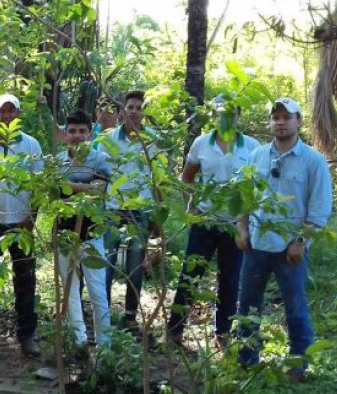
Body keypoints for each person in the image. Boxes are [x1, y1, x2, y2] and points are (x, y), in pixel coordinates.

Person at [235, 97, 332, 381]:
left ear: (298, 121)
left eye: (286, 117)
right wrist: (242, 227)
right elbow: (245, 196)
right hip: (256, 245)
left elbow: (320, 208)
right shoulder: (258, 156)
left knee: (295, 306)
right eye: (275, 117)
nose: (280, 122)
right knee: (248, 305)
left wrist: (301, 241)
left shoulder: (313, 161)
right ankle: (246, 359)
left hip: (290, 248)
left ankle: (299, 363)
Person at [166, 95, 260, 349]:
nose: (225, 119)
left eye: (231, 113)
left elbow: (257, 187)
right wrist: (192, 207)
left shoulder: (252, 147)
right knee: (190, 275)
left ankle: (223, 333)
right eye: (220, 113)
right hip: (205, 223)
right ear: (214, 116)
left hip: (235, 225)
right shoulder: (201, 144)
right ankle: (174, 331)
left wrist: (247, 222)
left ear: (239, 116)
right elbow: (186, 178)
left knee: (229, 280)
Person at [0, 93, 43, 357]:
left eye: (11, 110)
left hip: (21, 223)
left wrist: (32, 216)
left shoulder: (31, 145)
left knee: (25, 281)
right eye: (2, 110)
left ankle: (26, 336)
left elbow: (39, 183)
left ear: (19, 114)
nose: (7, 115)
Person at [96, 90, 158, 333]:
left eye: (138, 107)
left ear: (144, 112)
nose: (134, 111)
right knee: (107, 262)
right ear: (121, 111)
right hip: (111, 209)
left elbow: (157, 179)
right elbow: (99, 174)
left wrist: (156, 216)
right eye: (130, 106)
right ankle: (104, 317)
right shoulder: (107, 139)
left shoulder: (152, 141)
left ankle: (130, 317)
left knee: (135, 265)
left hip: (139, 210)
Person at [56, 110, 112, 350]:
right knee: (70, 291)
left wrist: (68, 187)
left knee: (97, 290)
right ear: (65, 134)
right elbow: (52, 193)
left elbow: (100, 190)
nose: (77, 136)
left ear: (89, 134)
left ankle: (105, 346)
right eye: (72, 131)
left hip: (92, 232)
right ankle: (78, 342)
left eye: (81, 131)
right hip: (64, 233)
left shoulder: (100, 159)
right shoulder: (57, 161)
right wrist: (84, 188)